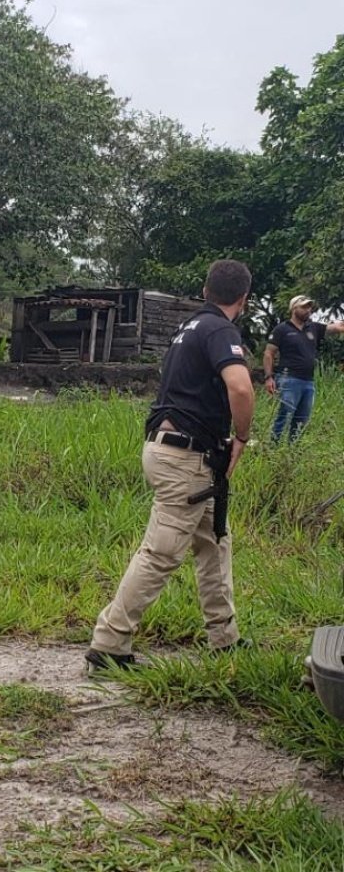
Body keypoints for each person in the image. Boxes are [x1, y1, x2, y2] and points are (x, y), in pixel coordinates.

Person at [87, 259, 255, 672]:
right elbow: (240, 386)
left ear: (204, 290)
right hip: (186, 458)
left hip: (179, 451)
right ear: (244, 300)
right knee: (162, 553)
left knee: (215, 541)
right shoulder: (220, 330)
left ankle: (224, 637)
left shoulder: (189, 328)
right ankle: (109, 644)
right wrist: (243, 438)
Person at [264, 295, 344, 443]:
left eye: (309, 307)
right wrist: (268, 377)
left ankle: (292, 451)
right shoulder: (282, 329)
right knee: (284, 415)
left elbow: (337, 327)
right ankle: (272, 447)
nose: (308, 310)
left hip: (308, 382)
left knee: (301, 419)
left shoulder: (313, 328)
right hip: (288, 379)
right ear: (294, 308)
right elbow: (269, 353)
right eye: (304, 307)